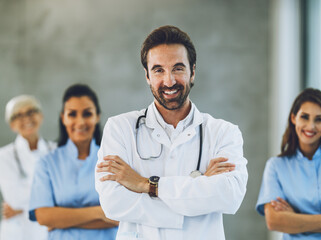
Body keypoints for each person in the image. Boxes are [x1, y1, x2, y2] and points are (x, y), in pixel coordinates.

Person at [95, 25, 248, 240]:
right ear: (147, 75)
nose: (169, 81)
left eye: (178, 68)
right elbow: (113, 203)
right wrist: (199, 189)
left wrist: (145, 185)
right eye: (158, 70)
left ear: (192, 71)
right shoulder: (120, 128)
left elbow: (229, 196)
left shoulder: (223, 132)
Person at [256, 88, 321, 239]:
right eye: (304, 117)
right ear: (293, 118)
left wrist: (295, 220)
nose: (311, 126)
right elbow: (274, 222)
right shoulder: (276, 166)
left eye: (319, 119)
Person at [28, 84, 118, 239]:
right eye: (72, 114)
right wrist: (99, 212)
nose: (80, 122)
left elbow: (120, 216)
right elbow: (43, 216)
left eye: (87, 114)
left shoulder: (114, 159)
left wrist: (61, 219)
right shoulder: (47, 163)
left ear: (97, 116)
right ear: (63, 118)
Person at [0, 95, 55, 240]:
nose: (26, 118)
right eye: (18, 115)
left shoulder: (55, 151)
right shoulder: (4, 156)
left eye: (31, 111)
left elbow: (64, 192)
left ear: (41, 116)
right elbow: (14, 199)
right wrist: (49, 198)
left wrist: (21, 208)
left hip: (49, 230)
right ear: (12, 125)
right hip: (17, 233)